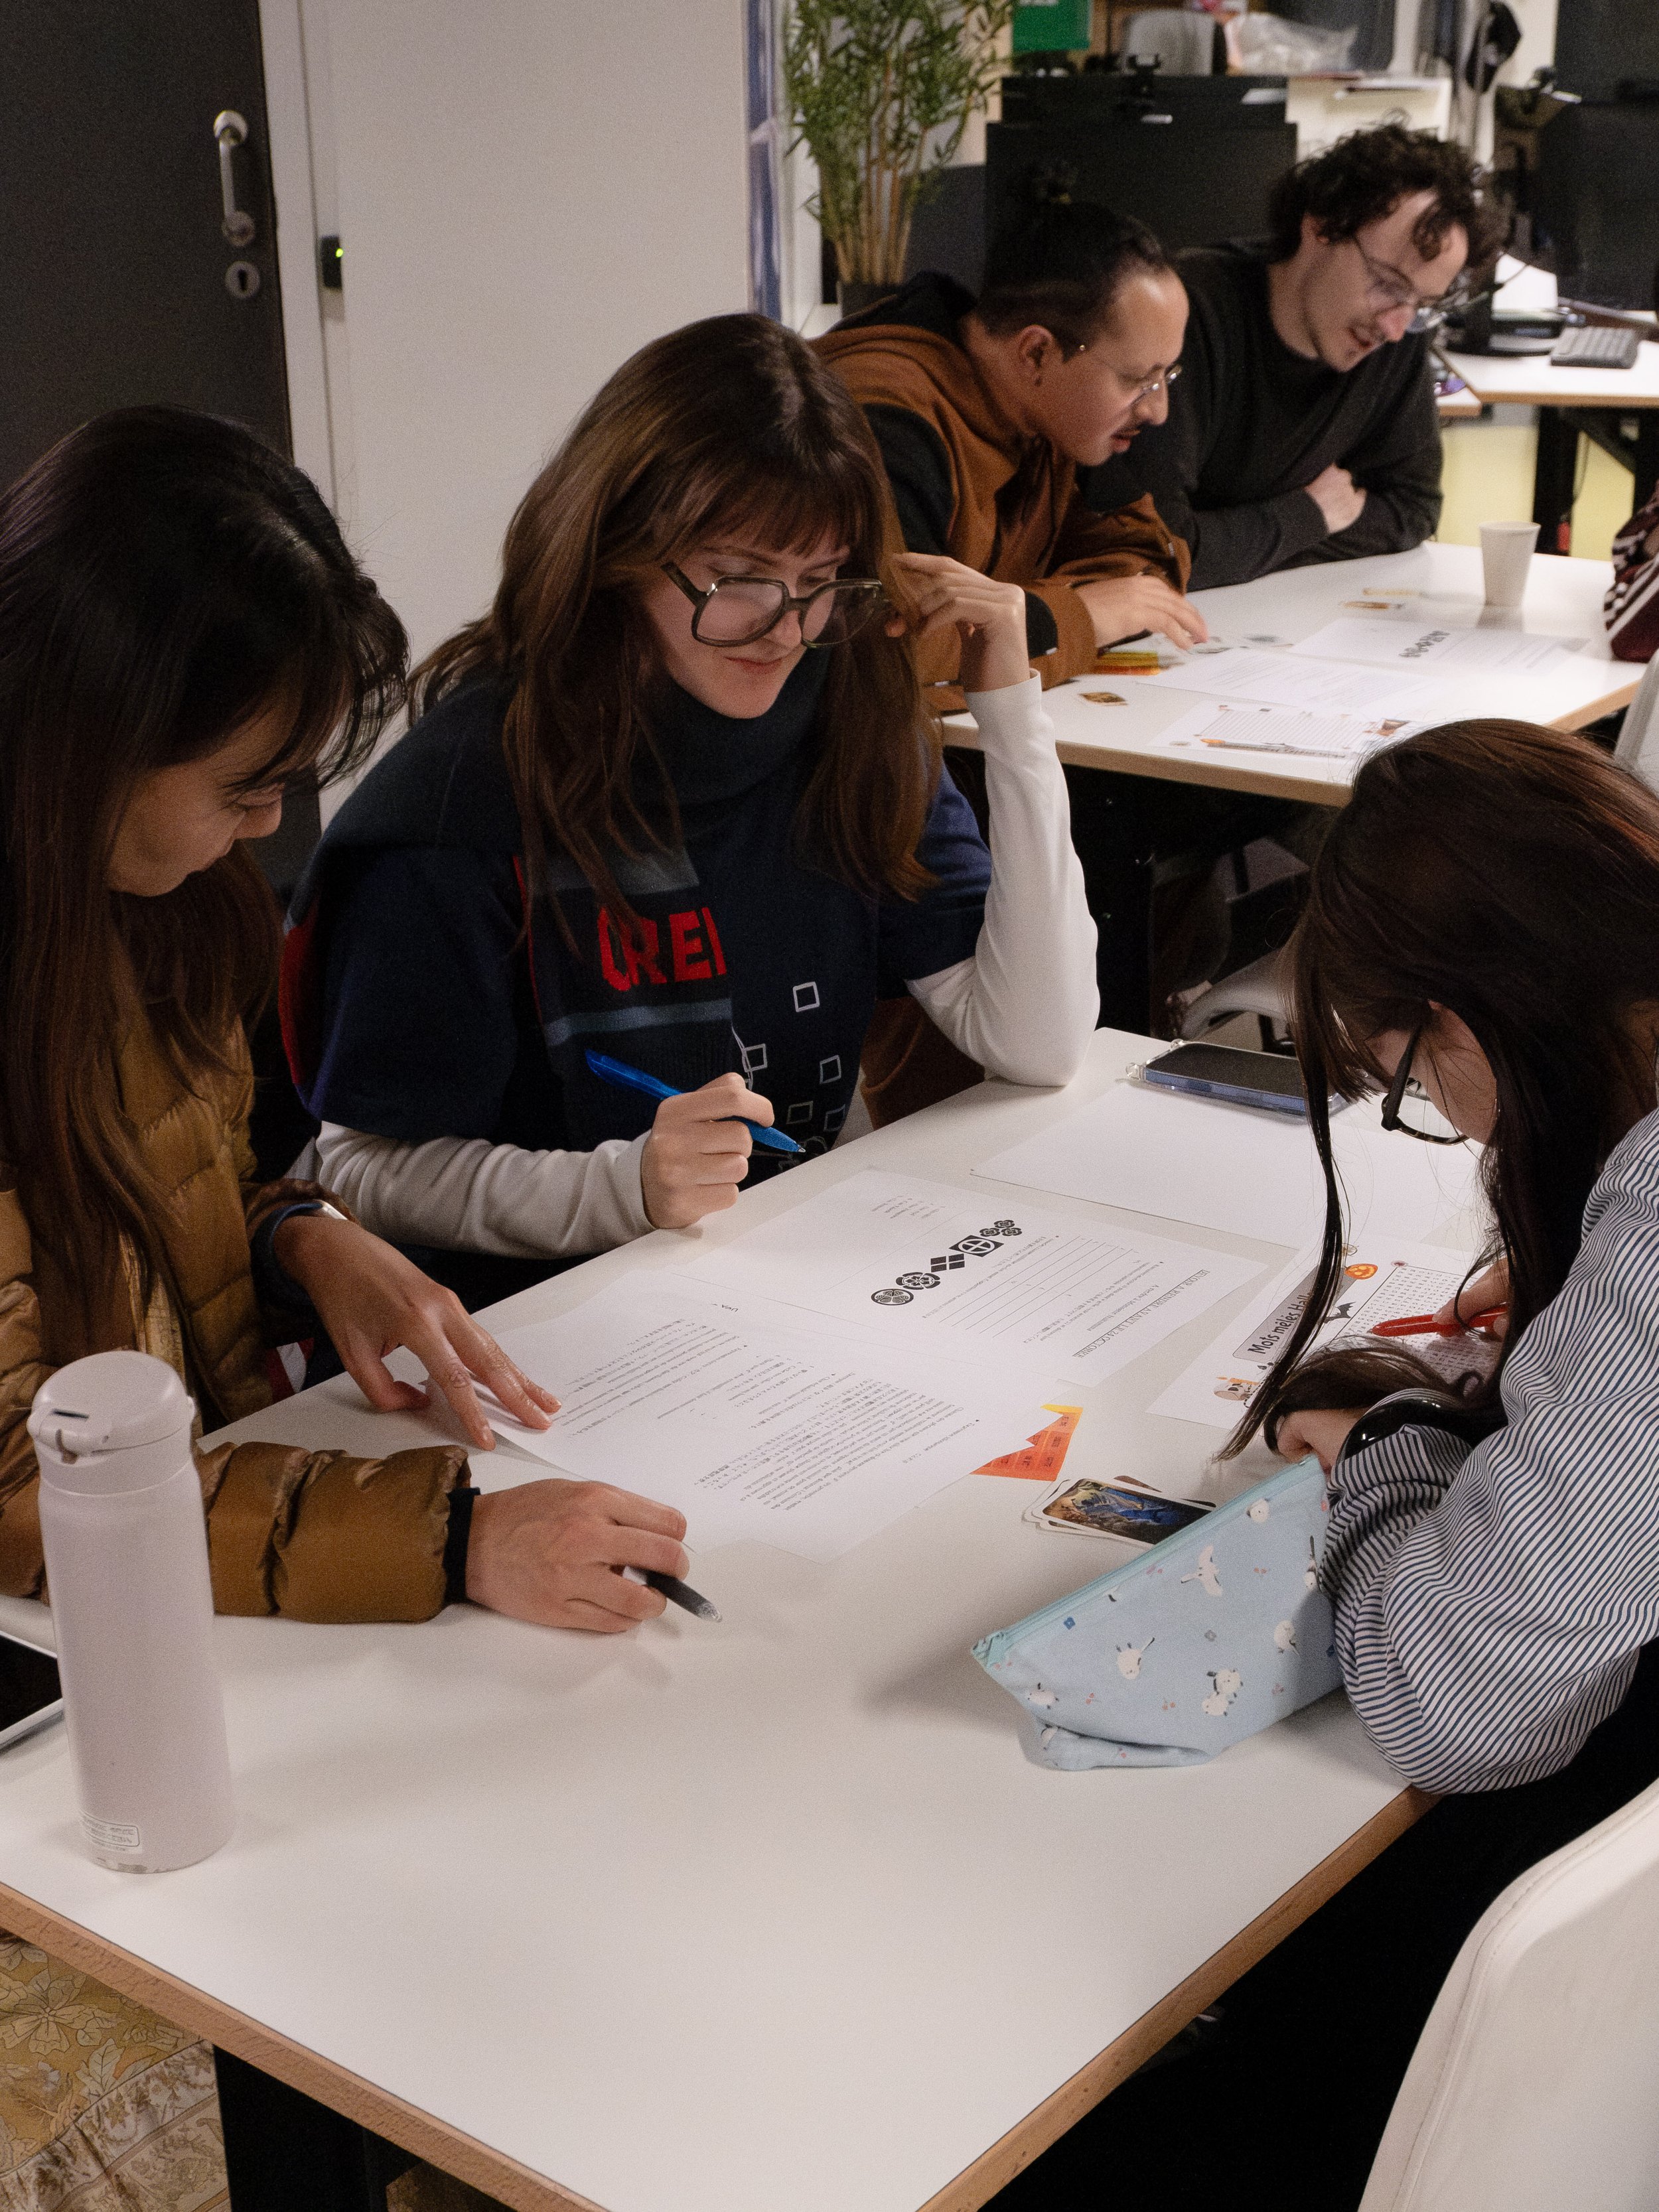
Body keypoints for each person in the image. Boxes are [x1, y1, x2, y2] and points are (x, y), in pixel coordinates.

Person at [987, 718, 1659, 2212]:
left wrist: (1391, 1442)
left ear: (1467, 1022)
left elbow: (1452, 1700)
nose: (1448, 1123)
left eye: (1416, 1082)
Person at [283, 314, 1096, 1298]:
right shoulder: (463, 806)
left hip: (796, 1276)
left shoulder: (843, 715)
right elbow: (358, 1167)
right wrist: (625, 1186)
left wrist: (1010, 712)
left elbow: (1040, 1043)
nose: (786, 629)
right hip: (553, 1327)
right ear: (617, 554)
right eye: (738, 579)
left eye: (818, 581)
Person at [1084, 124, 1509, 590]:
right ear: (1321, 227)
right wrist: (1309, 515)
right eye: (1387, 284)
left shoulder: (1397, 332)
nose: (1395, 327)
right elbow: (1157, 551)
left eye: (1422, 305)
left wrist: (1241, 543)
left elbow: (1413, 510)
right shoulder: (1188, 315)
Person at [816, 193, 1204, 702]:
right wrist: (1083, 616)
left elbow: (1148, 566)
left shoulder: (1058, 418)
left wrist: (1024, 617)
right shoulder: (888, 423)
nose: (1158, 411)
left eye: (1166, 376)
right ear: (1037, 352)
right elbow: (885, 651)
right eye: (1139, 380)